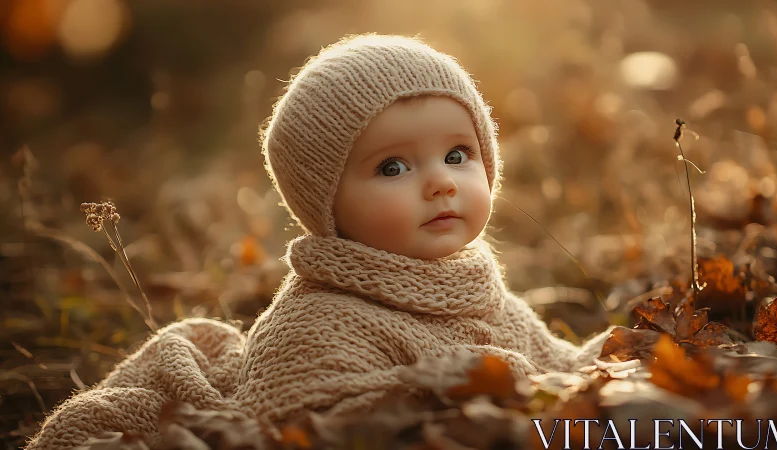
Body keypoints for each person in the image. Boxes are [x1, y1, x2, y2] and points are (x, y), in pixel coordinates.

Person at [25, 33, 615, 449]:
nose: (441, 182)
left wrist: (614, 355)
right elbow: (313, 423)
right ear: (326, 203)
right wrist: (490, 383)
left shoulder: (475, 287)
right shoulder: (321, 321)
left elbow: (560, 364)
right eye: (392, 167)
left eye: (458, 154)